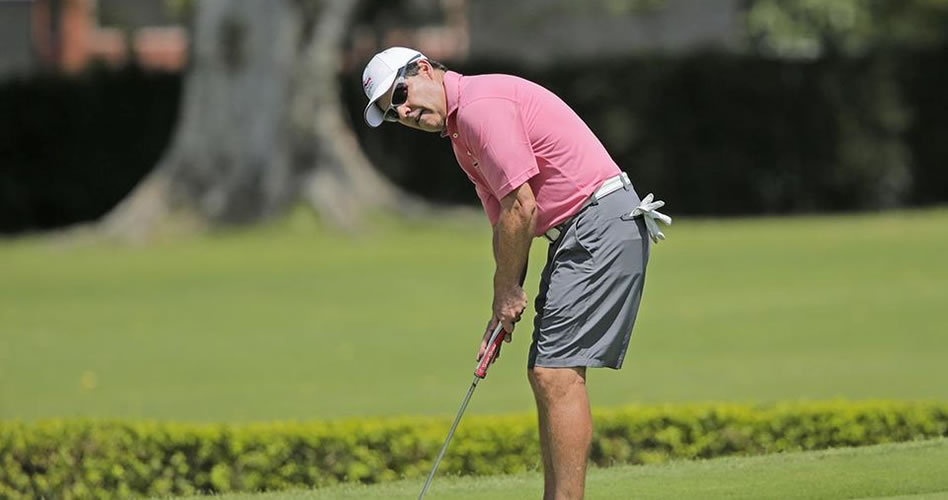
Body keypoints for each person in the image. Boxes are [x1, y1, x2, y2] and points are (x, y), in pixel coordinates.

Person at [361, 47, 670, 499]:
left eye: (401, 95)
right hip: (579, 232)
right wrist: (503, 302)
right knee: (545, 372)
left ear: (424, 69)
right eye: (392, 112)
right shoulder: (461, 136)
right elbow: (503, 225)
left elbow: (521, 206)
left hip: (600, 221)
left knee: (555, 373)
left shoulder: (481, 108)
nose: (403, 113)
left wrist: (506, 291)